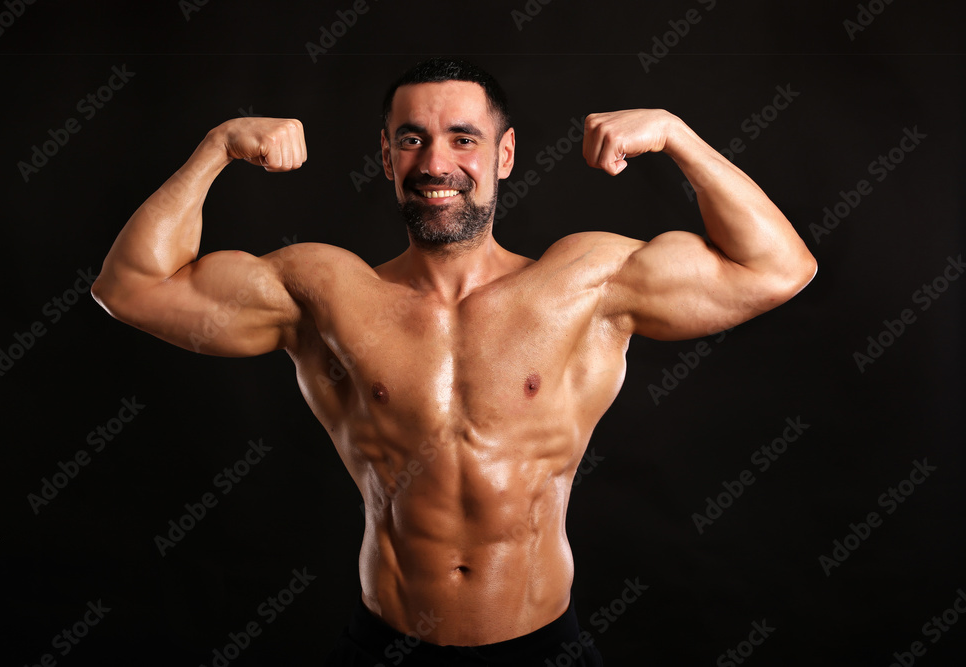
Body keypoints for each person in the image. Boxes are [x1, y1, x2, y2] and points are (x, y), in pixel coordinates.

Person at [91, 58, 816, 665]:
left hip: (541, 645)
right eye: (412, 139)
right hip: (387, 641)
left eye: (462, 139)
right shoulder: (325, 291)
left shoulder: (587, 282)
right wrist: (217, 146)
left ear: (502, 155)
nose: (436, 163)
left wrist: (676, 134)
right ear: (385, 156)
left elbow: (778, 267)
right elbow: (131, 288)